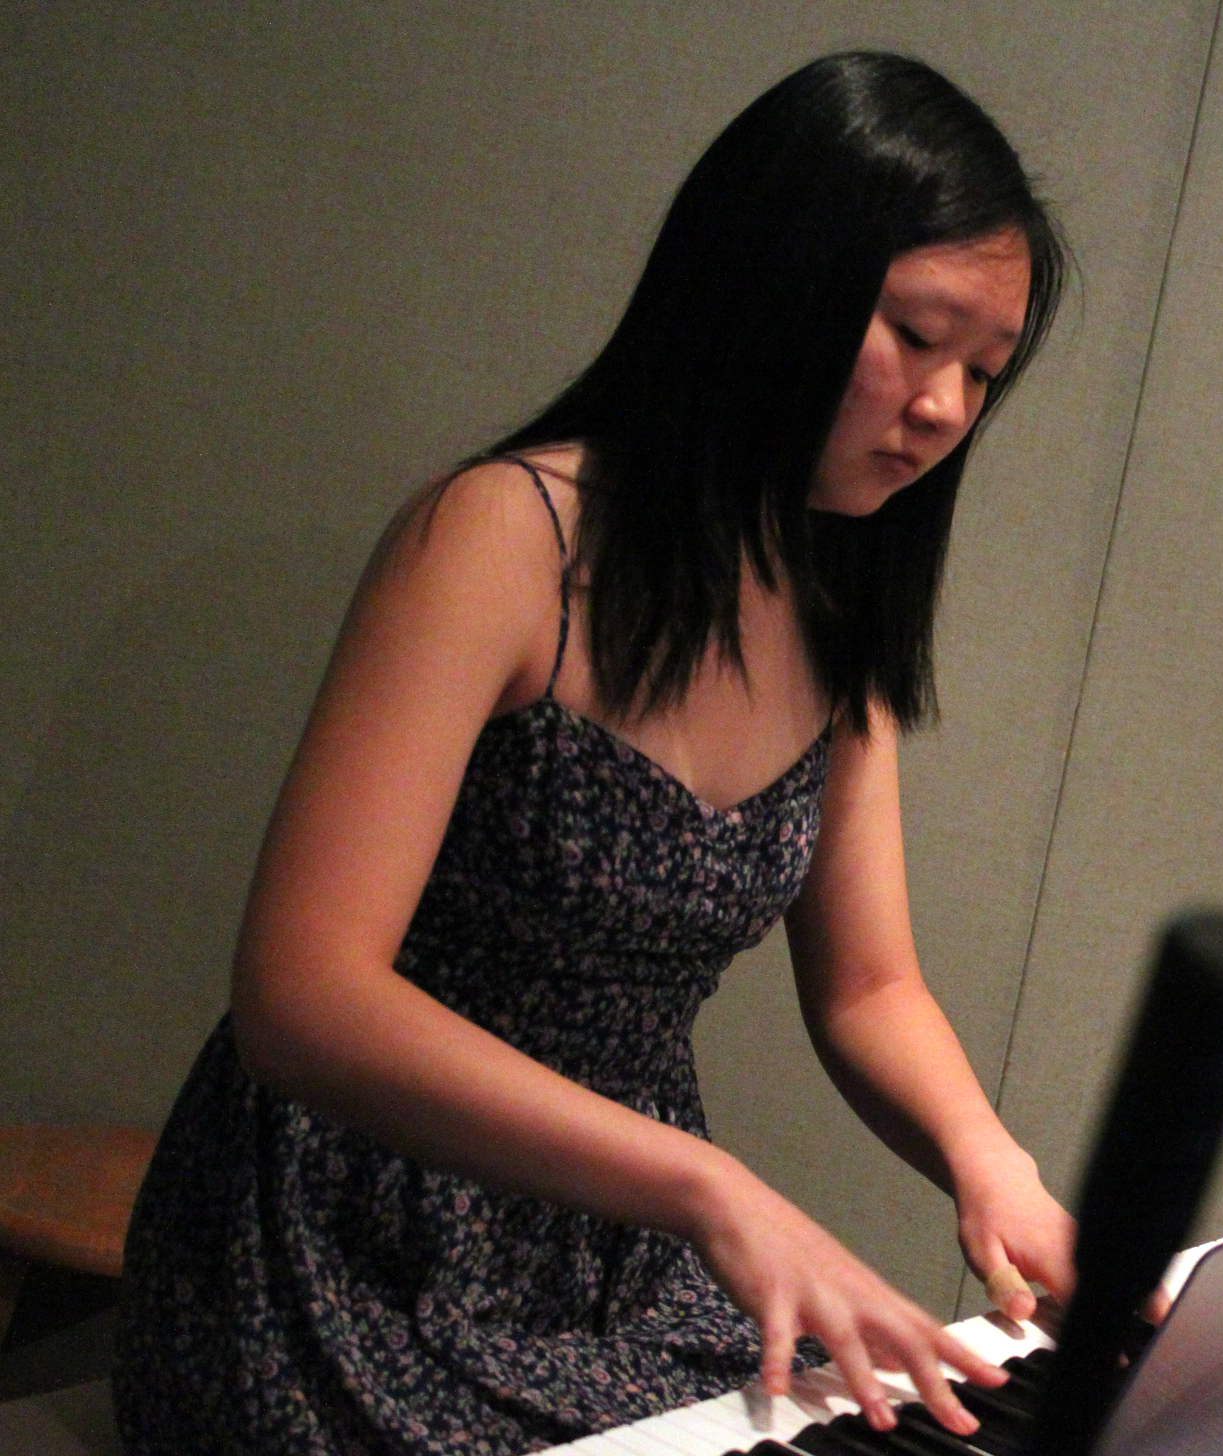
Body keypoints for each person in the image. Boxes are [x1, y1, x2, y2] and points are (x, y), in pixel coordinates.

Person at [115, 52, 1075, 1456]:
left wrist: (994, 1167)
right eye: (916, 336)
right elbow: (302, 996)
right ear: (772, 284)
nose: (943, 409)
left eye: (984, 372)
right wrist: (712, 1189)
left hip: (608, 1259)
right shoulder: (501, 538)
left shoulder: (837, 596)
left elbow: (869, 983)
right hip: (342, 1244)